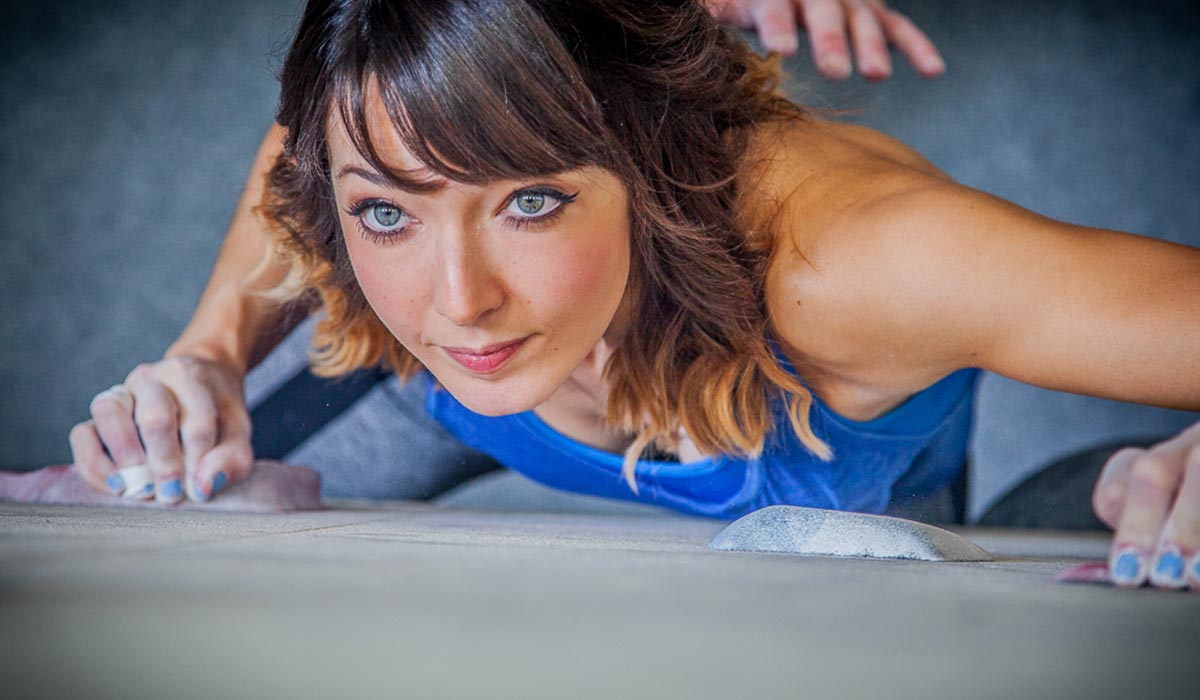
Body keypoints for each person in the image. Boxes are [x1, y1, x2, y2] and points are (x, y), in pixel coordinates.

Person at [68, 0, 1198, 591]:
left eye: (530, 202)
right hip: (426, 397)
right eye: (387, 214)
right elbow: (314, 145)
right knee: (152, 500)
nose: (456, 303)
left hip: (810, 449)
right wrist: (211, 348)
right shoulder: (380, 122)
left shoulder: (852, 265)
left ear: (648, 153)